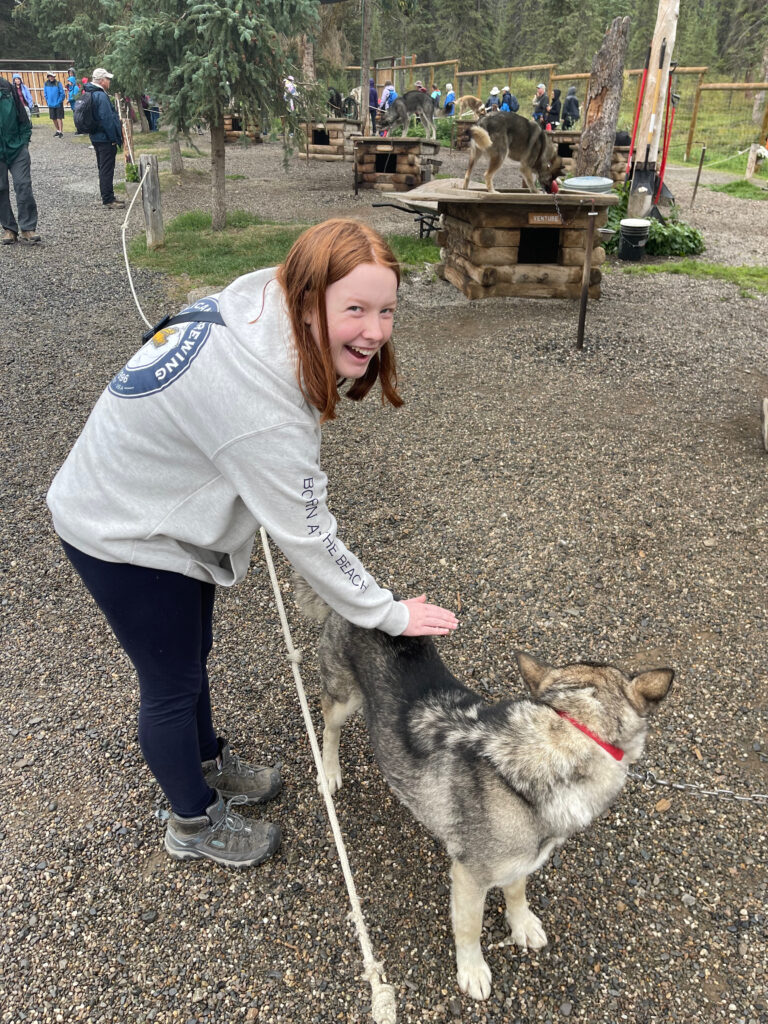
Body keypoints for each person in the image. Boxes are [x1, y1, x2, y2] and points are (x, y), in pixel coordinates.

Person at [46, 218, 460, 869]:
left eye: (387, 310)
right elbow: (308, 533)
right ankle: (190, 819)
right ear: (307, 299)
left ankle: (205, 758)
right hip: (123, 531)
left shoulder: (263, 301)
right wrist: (390, 613)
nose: (376, 332)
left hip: (152, 510)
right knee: (170, 682)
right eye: (355, 309)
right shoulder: (260, 405)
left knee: (192, 655)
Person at [0, 77, 41, 244]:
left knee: (23, 184)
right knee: (0, 189)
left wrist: (24, 142)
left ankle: (28, 228)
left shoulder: (7, 88)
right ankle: (9, 229)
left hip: (17, 149)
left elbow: (23, 119)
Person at [84, 68, 125, 209]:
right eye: (107, 79)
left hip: (96, 136)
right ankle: (108, 199)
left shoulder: (90, 93)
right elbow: (107, 119)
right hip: (105, 138)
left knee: (103, 168)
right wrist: (114, 138)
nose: (109, 81)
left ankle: (108, 196)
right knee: (107, 169)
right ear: (102, 81)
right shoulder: (100, 96)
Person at [44, 71, 66, 138]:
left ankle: (61, 132)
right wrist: (48, 101)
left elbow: (62, 94)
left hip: (58, 104)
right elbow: (45, 94)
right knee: (53, 118)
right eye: (50, 76)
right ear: (48, 77)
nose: (52, 77)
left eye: (53, 76)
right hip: (51, 104)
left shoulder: (58, 83)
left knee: (59, 118)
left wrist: (59, 101)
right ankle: (58, 130)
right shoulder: (46, 84)